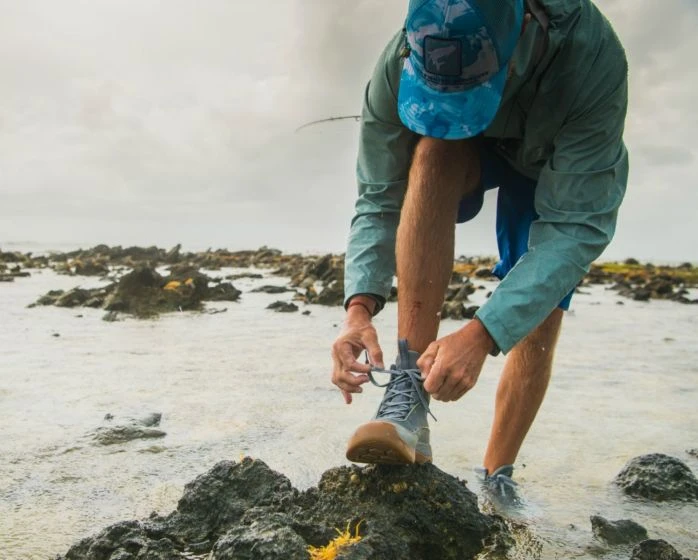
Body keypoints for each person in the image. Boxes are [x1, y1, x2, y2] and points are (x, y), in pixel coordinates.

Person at [330, 0, 629, 498]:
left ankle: (497, 475)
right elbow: (380, 195)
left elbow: (574, 228)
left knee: (539, 312)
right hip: (464, 151)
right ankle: (407, 395)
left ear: (526, 26)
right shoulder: (400, 60)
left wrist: (485, 333)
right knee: (432, 151)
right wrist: (357, 308)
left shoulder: (593, 58)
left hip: (553, 164)